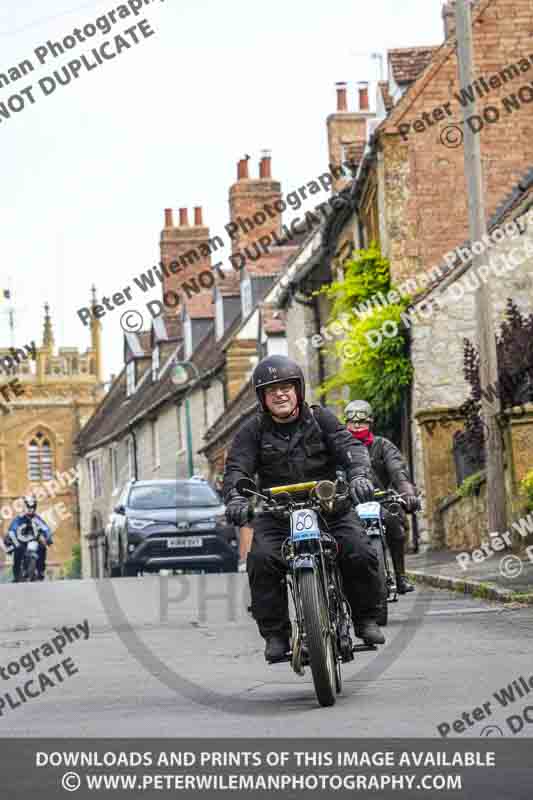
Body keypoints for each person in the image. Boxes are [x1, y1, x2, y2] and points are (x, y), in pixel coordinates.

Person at [223, 355, 384, 663]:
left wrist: (360, 476)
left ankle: (365, 618)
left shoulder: (321, 419)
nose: (280, 394)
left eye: (285, 387)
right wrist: (236, 498)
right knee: (261, 560)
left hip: (329, 507)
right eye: (272, 390)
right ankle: (276, 634)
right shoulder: (251, 431)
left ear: (297, 390)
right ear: (262, 397)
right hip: (277, 513)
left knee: (360, 551)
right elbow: (237, 469)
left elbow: (350, 448)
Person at [344, 399, 420, 594]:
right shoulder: (340, 447)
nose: (357, 425)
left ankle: (400, 577)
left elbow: (397, 470)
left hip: (379, 501)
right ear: (346, 423)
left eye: (362, 421)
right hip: (349, 504)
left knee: (396, 527)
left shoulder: (382, 445)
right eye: (352, 422)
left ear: (370, 423)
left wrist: (408, 492)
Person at [3, 496, 53, 582]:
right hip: (21, 541)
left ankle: (40, 571)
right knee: (17, 550)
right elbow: (13, 528)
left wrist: (48, 537)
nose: (30, 509)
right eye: (28, 507)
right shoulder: (19, 518)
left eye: (32, 507)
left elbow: (45, 528)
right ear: (24, 506)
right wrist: (10, 537)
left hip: (34, 540)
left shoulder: (37, 519)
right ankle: (16, 574)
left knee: (42, 547)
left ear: (35, 507)